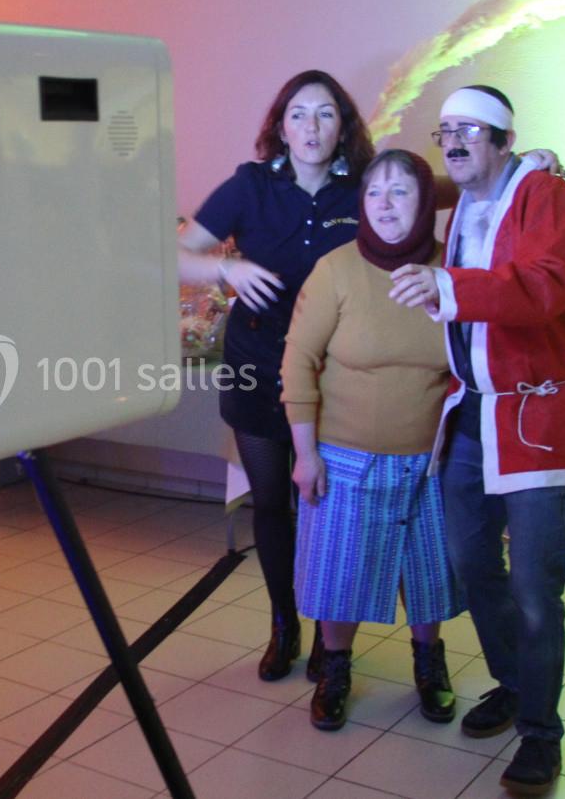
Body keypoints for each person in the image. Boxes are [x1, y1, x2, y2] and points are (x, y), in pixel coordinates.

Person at [390, 85, 565, 795]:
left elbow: (546, 285)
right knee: (470, 562)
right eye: (444, 129)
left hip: (535, 421)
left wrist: (447, 286)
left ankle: (542, 733)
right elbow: (389, 209)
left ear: (505, 138)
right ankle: (514, 683)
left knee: (537, 586)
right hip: (470, 416)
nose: (452, 141)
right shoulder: (461, 207)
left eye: (468, 130)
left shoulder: (544, 196)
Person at [178, 70, 374, 683]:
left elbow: (430, 190)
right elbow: (177, 254)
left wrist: (522, 164)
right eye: (298, 114)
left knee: (326, 504)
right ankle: (283, 623)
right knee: (272, 502)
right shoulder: (251, 186)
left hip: (334, 375)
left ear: (343, 127)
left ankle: (327, 634)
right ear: (280, 126)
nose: (310, 127)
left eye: (324, 114)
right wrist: (226, 273)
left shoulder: (363, 190)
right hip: (256, 365)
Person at [281, 149, 463, 731]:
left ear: (427, 201)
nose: (386, 204)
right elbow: (298, 363)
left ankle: (429, 662)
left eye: (402, 191)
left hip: (431, 461)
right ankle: (335, 666)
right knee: (341, 573)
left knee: (430, 572)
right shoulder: (336, 269)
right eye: (375, 192)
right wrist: (305, 454)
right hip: (344, 457)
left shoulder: (451, 271)